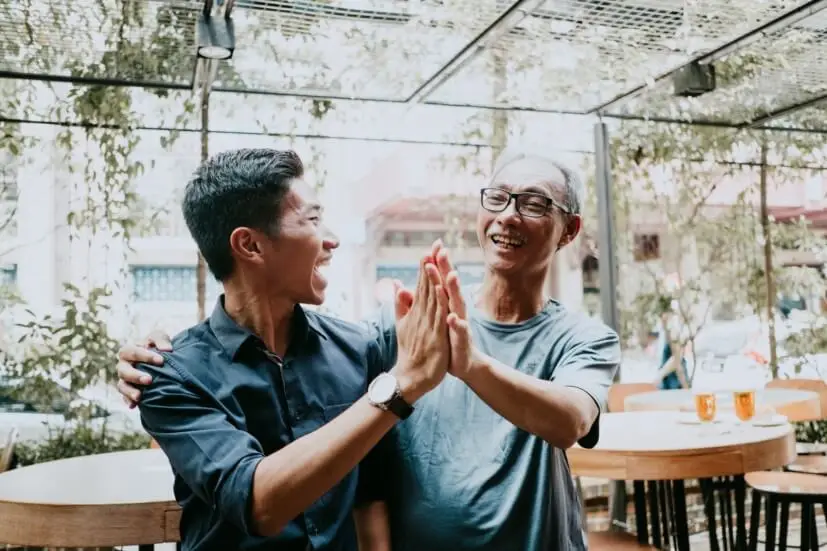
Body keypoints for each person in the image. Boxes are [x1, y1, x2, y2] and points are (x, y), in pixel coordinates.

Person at [117, 149, 621, 551]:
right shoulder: (385, 337)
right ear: (250, 245)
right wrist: (156, 351)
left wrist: (468, 364)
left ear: (569, 230)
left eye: (534, 204)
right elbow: (266, 500)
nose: (508, 216)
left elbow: (570, 420)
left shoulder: (582, 337)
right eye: (498, 198)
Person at [130, 148, 456, 551]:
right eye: (313, 220)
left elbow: (370, 496)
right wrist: (400, 384)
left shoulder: (358, 349)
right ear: (250, 245)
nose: (332, 240)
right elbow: (257, 503)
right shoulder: (169, 376)